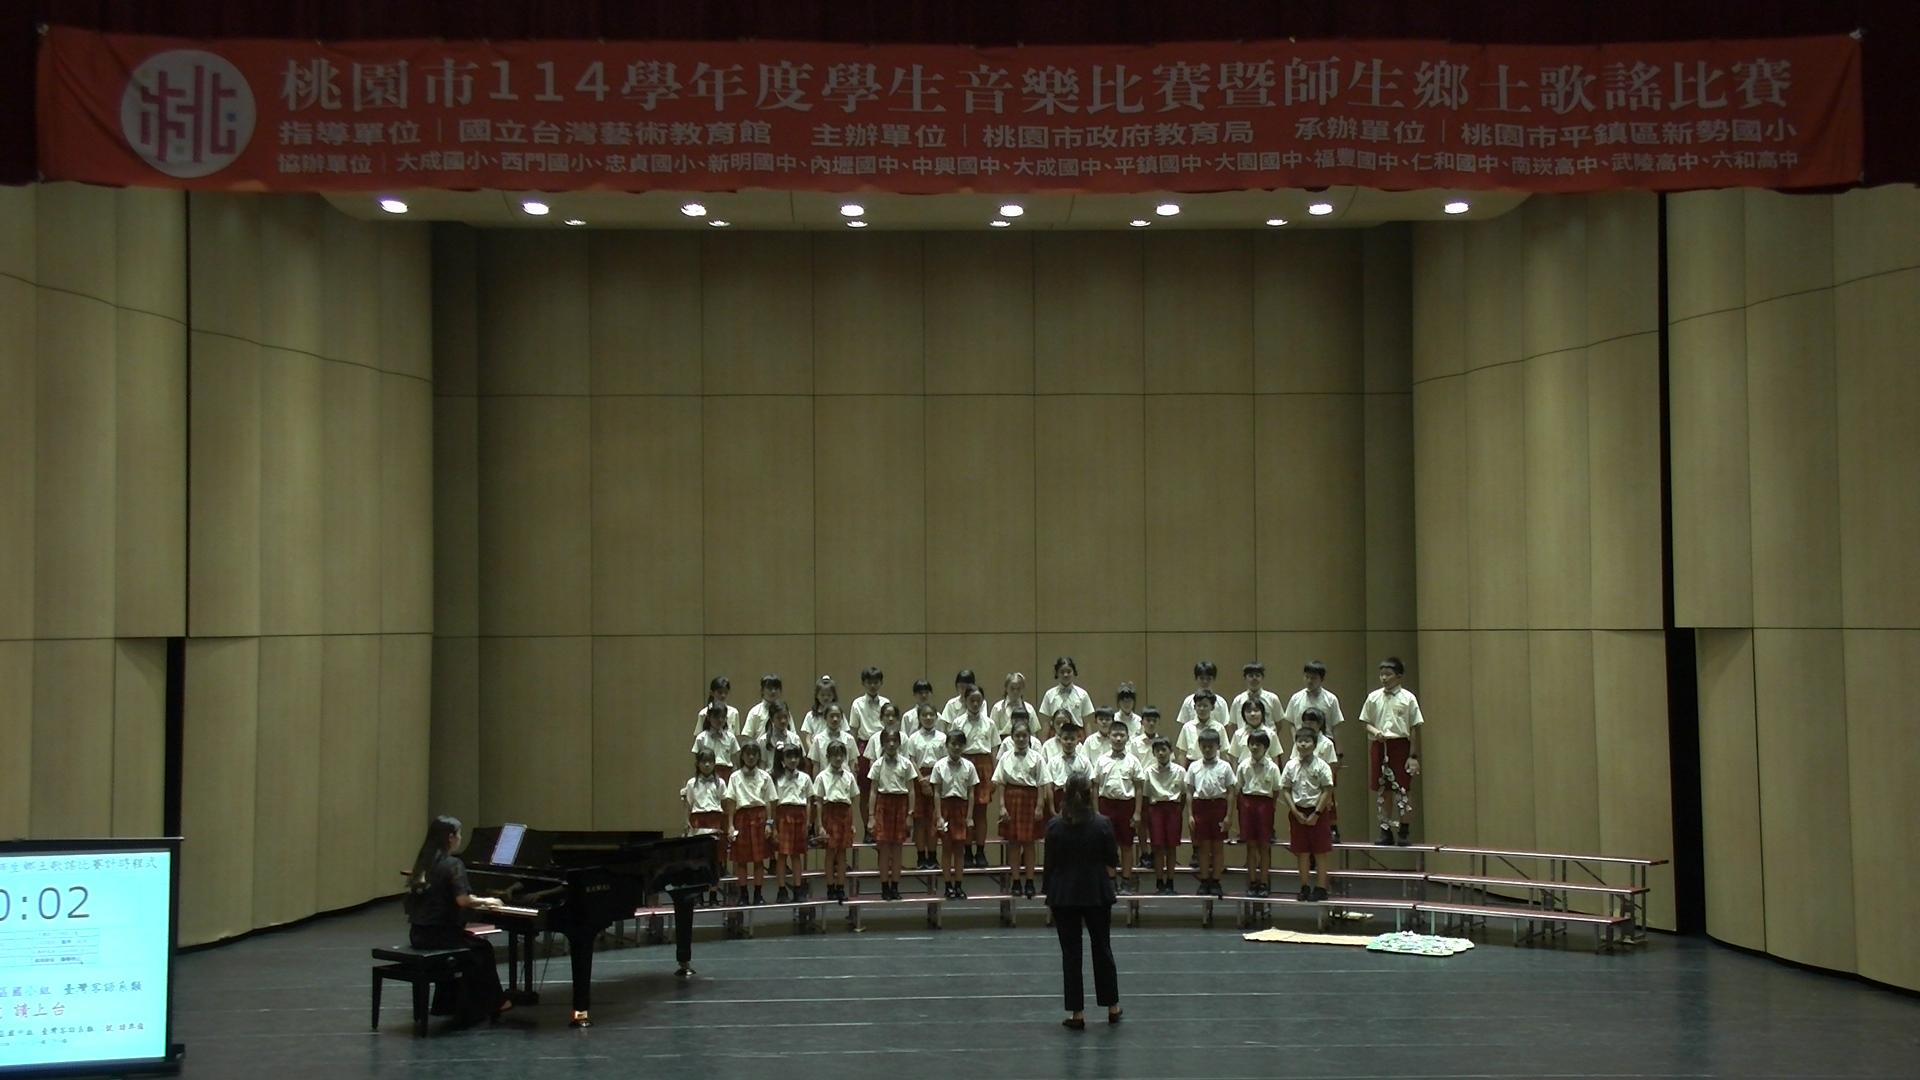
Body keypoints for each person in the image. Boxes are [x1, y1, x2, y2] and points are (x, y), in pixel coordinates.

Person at [404, 815, 509, 1024]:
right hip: (441, 936)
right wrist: (488, 900)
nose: (460, 838)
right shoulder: (453, 863)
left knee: (472, 946)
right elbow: (462, 900)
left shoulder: (423, 862)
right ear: (450, 837)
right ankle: (494, 1003)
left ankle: (446, 1003)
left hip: (418, 934)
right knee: (483, 949)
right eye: (459, 834)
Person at [1042, 775, 1123, 1029]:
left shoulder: (1055, 826)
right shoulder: (1102, 824)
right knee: (1102, 948)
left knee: (1071, 954)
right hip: (1096, 893)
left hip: (1064, 895)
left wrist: (1049, 894)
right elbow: (1112, 860)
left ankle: (1077, 1013)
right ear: (1090, 795)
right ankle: (1112, 1006)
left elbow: (1049, 864)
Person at [1360, 656, 1424, 846]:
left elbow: (1414, 727)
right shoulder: (1373, 697)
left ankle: (1404, 832)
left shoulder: (1408, 698)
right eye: (1381, 674)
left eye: (1388, 674)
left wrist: (1413, 756)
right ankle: (1385, 831)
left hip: (1401, 746)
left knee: (1403, 790)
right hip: (1380, 745)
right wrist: (1375, 732)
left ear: (1399, 676)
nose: (1384, 678)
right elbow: (1365, 722)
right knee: (1383, 790)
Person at [991, 721, 1046, 897]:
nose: (1021, 739)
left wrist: (1039, 806)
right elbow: (1001, 783)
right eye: (1017, 736)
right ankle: (1015, 881)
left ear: (1029, 737)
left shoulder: (1037, 757)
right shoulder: (1005, 757)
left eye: (1024, 735)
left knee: (1029, 844)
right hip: (1011, 799)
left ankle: (1029, 881)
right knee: (1013, 843)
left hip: (1030, 800)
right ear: (1012, 737)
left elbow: (1042, 784)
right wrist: (1001, 806)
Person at [1282, 727, 1337, 901]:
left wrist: (1317, 813)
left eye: (1307, 741)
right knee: (1302, 852)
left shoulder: (1322, 766)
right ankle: (1304, 886)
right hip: (1298, 813)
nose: (1303, 744)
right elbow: (1286, 789)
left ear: (1314, 744)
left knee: (1320, 852)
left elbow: (1327, 789)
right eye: (1300, 741)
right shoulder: (1290, 765)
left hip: (1318, 813)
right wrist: (1294, 811)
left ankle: (1321, 888)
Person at [1092, 717, 1142, 895]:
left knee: (1127, 845)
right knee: (1109, 846)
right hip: (1106, 805)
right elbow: (1095, 787)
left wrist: (1137, 812)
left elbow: (1139, 787)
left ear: (1127, 737)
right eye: (1115, 735)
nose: (1118, 739)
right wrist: (1096, 811)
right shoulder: (1101, 760)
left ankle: (1126, 880)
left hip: (1126, 807)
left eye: (1122, 735)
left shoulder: (1133, 761)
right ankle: (1111, 880)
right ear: (1109, 736)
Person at [865, 727, 917, 900]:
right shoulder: (877, 765)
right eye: (888, 741)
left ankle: (895, 885)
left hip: (900, 805)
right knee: (884, 848)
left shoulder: (906, 764)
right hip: (883, 804)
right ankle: (884, 886)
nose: (892, 744)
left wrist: (910, 814)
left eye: (895, 740)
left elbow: (911, 790)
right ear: (882, 743)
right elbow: (873, 791)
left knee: (897, 848)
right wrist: (871, 816)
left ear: (900, 743)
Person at [1185, 727, 1236, 897]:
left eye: (1211, 746)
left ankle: (1216, 880)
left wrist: (1229, 816)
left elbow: (1231, 792)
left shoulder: (1225, 766)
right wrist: (1190, 815)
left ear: (1218, 747)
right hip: (1200, 807)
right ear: (1199, 746)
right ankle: (1204, 879)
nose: (1207, 749)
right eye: (1204, 746)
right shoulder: (1194, 766)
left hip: (1218, 807)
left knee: (1218, 847)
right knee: (1203, 847)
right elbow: (1189, 792)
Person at [929, 730, 979, 899]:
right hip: (945, 807)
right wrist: (939, 816)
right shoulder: (939, 766)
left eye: (960, 744)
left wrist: (969, 816)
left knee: (959, 849)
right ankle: (947, 885)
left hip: (961, 808)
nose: (956, 747)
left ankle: (958, 885)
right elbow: (936, 793)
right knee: (946, 849)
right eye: (953, 744)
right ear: (947, 745)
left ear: (964, 746)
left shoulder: (969, 766)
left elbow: (971, 793)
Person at [954, 685, 1000, 868]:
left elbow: (994, 750)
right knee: (964, 810)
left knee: (981, 811)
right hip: (964, 764)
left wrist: (995, 775)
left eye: (978, 701)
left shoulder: (990, 723)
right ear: (965, 701)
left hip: (984, 765)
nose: (975, 704)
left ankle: (980, 851)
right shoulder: (958, 723)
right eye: (971, 700)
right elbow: (953, 748)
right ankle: (966, 851)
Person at [723, 742, 775, 904]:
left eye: (754, 754)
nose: (751, 757)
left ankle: (758, 894)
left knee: (759, 859)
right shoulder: (734, 777)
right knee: (741, 860)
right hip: (741, 817)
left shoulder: (765, 776)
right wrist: (730, 825)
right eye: (748, 754)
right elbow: (731, 801)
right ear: (742, 756)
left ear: (759, 756)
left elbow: (769, 801)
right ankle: (743, 895)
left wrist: (769, 823)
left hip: (760, 817)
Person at [1235, 729, 1282, 896]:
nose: (1254, 747)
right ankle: (1252, 881)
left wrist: (1271, 806)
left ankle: (1263, 882)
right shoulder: (1243, 766)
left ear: (1266, 747)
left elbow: (1276, 790)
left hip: (1265, 805)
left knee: (1264, 846)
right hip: (1247, 804)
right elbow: (1238, 788)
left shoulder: (1272, 767)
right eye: (1252, 744)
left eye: (1258, 744)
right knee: (1251, 846)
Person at [811, 740, 858, 902]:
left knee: (843, 853)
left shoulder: (849, 776)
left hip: (844, 813)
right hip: (829, 813)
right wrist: (819, 824)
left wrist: (852, 823)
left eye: (841, 755)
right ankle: (830, 886)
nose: (838, 758)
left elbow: (852, 800)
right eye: (835, 755)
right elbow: (818, 802)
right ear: (828, 757)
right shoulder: (822, 777)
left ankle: (840, 887)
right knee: (830, 852)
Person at [682, 750, 728, 905]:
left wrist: (725, 826)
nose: (707, 765)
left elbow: (724, 805)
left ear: (714, 763)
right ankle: (699, 894)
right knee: (698, 861)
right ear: (698, 764)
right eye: (703, 762)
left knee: (715, 861)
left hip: (715, 819)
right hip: (698, 820)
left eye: (710, 761)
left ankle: (713, 895)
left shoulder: (720, 782)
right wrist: (687, 823)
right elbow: (689, 806)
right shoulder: (691, 783)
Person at [903, 701, 946, 868]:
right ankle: (921, 857)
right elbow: (911, 759)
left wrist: (931, 778)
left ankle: (933, 857)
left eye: (931, 715)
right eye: (924, 715)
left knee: (934, 819)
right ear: (919, 718)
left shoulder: (942, 737)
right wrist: (922, 780)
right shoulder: (913, 738)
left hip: (937, 778)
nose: (928, 718)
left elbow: (944, 760)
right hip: (918, 778)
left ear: (936, 717)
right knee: (920, 820)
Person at [1141, 736, 1186, 895]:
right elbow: (1145, 796)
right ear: (1153, 753)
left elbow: (1184, 795)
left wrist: (1178, 810)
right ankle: (1159, 882)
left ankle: (1170, 882)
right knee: (1158, 847)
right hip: (1155, 810)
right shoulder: (1148, 771)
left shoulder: (1180, 771)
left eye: (1164, 750)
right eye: (1157, 750)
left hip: (1173, 809)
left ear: (1170, 751)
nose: (1161, 753)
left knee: (1172, 847)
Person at [770, 744, 813, 903]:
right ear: (782, 760)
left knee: (796, 855)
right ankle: (781, 890)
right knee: (782, 855)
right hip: (783, 815)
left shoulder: (805, 778)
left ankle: (797, 888)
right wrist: (773, 826)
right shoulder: (776, 778)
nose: (793, 760)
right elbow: (773, 804)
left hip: (799, 816)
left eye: (796, 756)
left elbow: (808, 802)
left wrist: (808, 822)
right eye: (789, 757)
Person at [1128, 707, 1164, 870]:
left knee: (1156, 823)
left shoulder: (1162, 742)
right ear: (1142, 722)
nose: (1151, 723)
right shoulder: (1134, 743)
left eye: (1154, 720)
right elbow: (1131, 764)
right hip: (1141, 788)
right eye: (1148, 720)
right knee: (1141, 822)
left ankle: (1157, 854)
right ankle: (1144, 853)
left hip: (1158, 788)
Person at [1284, 659, 1346, 732]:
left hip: (1325, 738)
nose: (1309, 681)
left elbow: (1336, 725)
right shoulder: (1295, 698)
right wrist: (1296, 737)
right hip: (1302, 738)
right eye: (1307, 677)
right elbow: (1291, 723)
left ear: (1322, 679)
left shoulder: (1331, 699)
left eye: (1313, 678)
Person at [1231, 662, 1283, 738]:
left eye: (1257, 675)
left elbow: (1279, 723)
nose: (1254, 678)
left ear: (1262, 678)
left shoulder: (1273, 698)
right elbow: (1234, 724)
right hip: (1244, 741)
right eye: (1251, 676)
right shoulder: (1238, 700)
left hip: (1267, 740)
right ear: (1245, 678)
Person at [1040, 656, 1095, 726]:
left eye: (1069, 672)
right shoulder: (1049, 694)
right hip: (1056, 732)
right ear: (1057, 673)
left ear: (1074, 672)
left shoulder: (1083, 694)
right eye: (1062, 672)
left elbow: (1087, 723)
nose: (1065, 675)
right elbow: (1047, 723)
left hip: (1077, 732)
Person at [691, 703, 740, 782]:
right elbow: (697, 761)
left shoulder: (731, 737)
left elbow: (735, 761)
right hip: (707, 773)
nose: (720, 720)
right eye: (716, 717)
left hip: (727, 773)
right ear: (708, 718)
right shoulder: (701, 738)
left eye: (723, 717)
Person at [1175, 660, 1227, 735]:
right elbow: (1183, 726)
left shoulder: (1221, 702)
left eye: (1208, 678)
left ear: (1214, 679)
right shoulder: (1188, 701)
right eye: (1202, 678)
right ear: (1196, 678)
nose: (1205, 681)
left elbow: (1225, 727)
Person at [1175, 690, 1225, 764]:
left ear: (1212, 707)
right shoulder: (1187, 727)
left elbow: (1223, 752)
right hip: (1192, 764)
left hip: (1214, 764)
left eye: (1205, 706)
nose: (1202, 709)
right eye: (1199, 706)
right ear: (1194, 707)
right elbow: (1182, 753)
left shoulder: (1219, 728)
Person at [847, 666, 891, 747]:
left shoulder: (886, 703)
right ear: (863, 683)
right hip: (864, 744)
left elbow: (890, 726)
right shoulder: (857, 703)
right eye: (869, 683)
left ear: (881, 683)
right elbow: (854, 730)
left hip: (882, 743)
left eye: (876, 682)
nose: (872, 686)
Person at [799, 675, 840, 756]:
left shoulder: (838, 715)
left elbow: (843, 733)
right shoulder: (810, 715)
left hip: (835, 754)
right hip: (816, 753)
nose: (826, 698)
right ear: (817, 696)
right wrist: (813, 753)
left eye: (829, 695)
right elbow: (808, 738)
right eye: (822, 695)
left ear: (834, 696)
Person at [991, 671, 1036, 737]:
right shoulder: (997, 708)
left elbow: (1033, 733)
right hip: (1002, 741)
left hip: (1023, 740)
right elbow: (993, 733)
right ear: (1006, 688)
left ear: (1022, 689)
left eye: (1018, 689)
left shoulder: (1029, 709)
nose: (1015, 692)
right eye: (1012, 688)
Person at [741, 673, 783, 743]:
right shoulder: (755, 712)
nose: (773, 691)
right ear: (762, 690)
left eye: (776, 688)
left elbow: (792, 734)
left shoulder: (784, 712)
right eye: (769, 688)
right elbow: (747, 738)